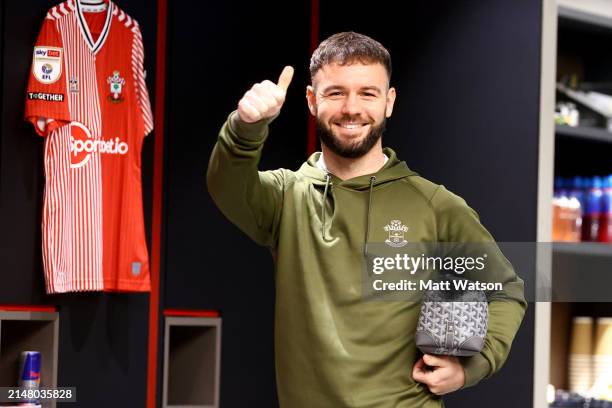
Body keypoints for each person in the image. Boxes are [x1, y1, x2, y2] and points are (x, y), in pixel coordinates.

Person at [207, 32, 526, 407]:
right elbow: (225, 185)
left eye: (368, 93)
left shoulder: (435, 205)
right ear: (311, 100)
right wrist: (245, 127)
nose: (351, 108)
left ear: (388, 102)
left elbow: (505, 290)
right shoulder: (285, 197)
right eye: (336, 93)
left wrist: (470, 366)